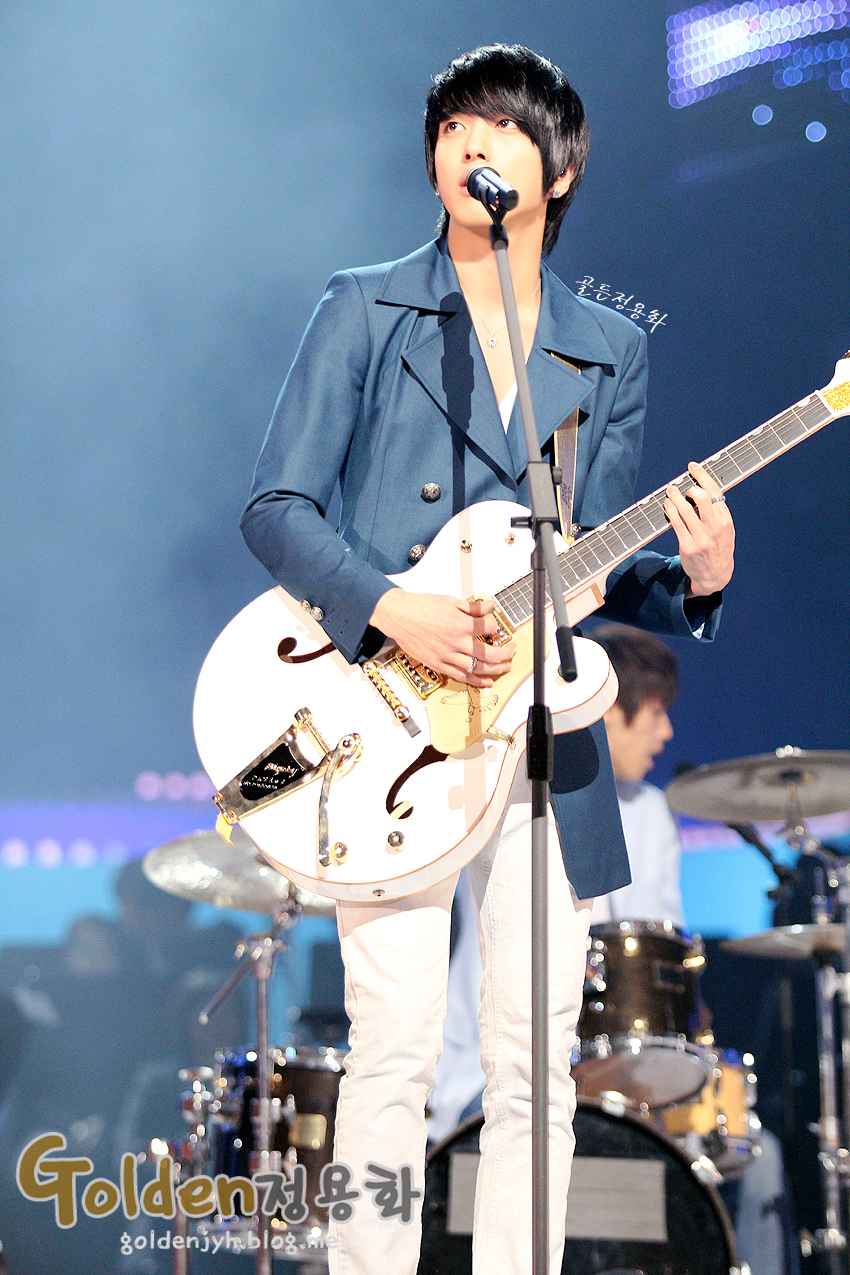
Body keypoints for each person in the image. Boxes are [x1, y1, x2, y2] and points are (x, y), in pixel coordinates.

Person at [240, 44, 735, 1275]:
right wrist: (390, 608)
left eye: (503, 128)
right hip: (388, 720)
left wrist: (698, 579)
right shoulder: (365, 305)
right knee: (394, 1046)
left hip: (541, 729)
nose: (472, 143)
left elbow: (593, 560)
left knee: (532, 1061)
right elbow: (277, 507)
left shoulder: (606, 347)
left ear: (557, 171)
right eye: (454, 125)